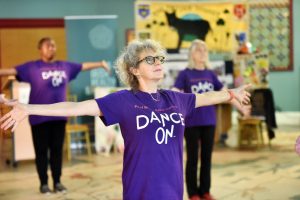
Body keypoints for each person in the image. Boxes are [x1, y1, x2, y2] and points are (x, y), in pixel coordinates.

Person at [0, 39, 251, 200]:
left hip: (173, 190)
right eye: (149, 59)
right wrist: (28, 108)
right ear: (134, 69)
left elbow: (207, 97)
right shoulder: (124, 100)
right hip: (140, 190)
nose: (157, 63)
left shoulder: (176, 99)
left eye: (159, 58)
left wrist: (231, 94)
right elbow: (75, 107)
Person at [0, 37, 110, 195]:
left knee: (57, 151)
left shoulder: (65, 66)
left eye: (53, 45)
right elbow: (10, 71)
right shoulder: (31, 67)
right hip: (38, 118)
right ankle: (43, 184)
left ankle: (57, 181)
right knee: (41, 152)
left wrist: (100, 63)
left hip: (59, 117)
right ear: (40, 49)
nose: (51, 47)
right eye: (47, 45)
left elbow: (83, 66)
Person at [173, 39, 250, 200]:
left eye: (205, 50)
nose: (203, 53)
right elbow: (175, 92)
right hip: (191, 123)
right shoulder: (185, 73)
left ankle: (205, 191)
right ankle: (193, 193)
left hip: (209, 121)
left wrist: (241, 107)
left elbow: (228, 93)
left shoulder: (210, 74)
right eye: (199, 50)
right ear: (192, 54)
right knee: (192, 159)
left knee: (207, 158)